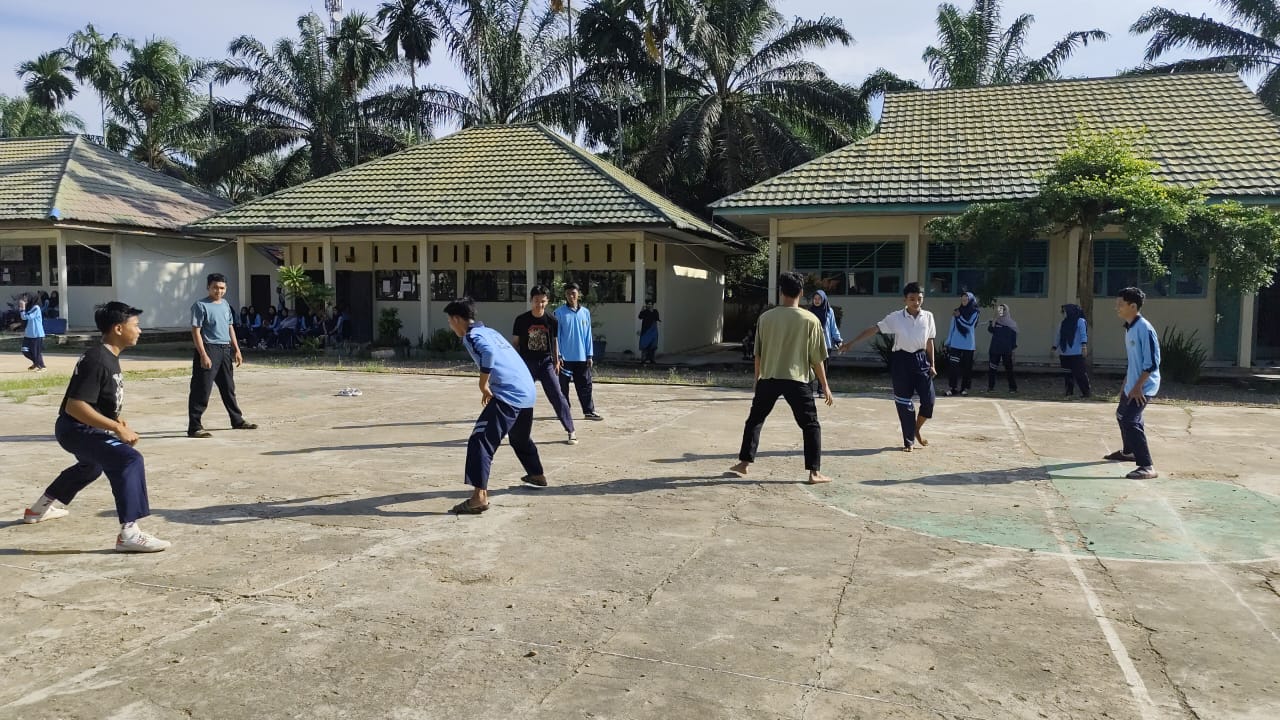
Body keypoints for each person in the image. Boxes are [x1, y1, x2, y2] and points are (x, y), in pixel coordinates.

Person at [21, 301, 170, 552]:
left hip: (81, 429)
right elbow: (75, 406)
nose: (140, 330)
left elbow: (97, 401)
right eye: (136, 325)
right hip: (76, 429)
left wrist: (117, 423)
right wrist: (116, 428)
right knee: (129, 460)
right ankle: (129, 533)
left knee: (90, 467)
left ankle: (37, 510)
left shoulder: (108, 357)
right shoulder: (98, 359)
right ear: (118, 329)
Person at [446, 297, 547, 514]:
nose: (450, 325)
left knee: (480, 440)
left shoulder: (472, 335)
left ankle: (478, 497)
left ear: (456, 319)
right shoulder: (491, 331)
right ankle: (536, 473)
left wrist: (483, 384)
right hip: (527, 390)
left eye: (449, 321)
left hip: (508, 393)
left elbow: (489, 354)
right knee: (519, 437)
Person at [730, 272, 832, 484]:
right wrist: (825, 385)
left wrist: (757, 379)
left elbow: (758, 353)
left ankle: (744, 463)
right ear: (801, 293)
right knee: (810, 424)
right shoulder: (810, 320)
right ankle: (814, 472)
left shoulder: (766, 318)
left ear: (780, 292)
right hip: (798, 379)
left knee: (755, 420)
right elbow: (817, 359)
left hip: (770, 377)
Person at [841, 282, 937, 452]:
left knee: (928, 401)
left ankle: (916, 429)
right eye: (912, 299)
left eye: (919, 299)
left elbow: (929, 341)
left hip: (921, 360)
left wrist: (932, 364)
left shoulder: (928, 316)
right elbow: (874, 329)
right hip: (901, 360)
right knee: (904, 402)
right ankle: (909, 441)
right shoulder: (896, 317)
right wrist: (852, 343)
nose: (916, 302)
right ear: (905, 300)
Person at [188, 273, 257, 438]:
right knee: (202, 389)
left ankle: (237, 420)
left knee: (228, 388)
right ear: (208, 287)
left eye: (222, 288)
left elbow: (230, 327)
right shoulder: (200, 305)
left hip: (225, 350)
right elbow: (195, 331)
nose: (218, 291)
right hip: (208, 349)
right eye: (215, 287)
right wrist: (203, 354)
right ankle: (195, 426)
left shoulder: (225, 304)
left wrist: (236, 349)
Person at [1106, 287, 1162, 479]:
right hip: (1133, 384)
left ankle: (1147, 466)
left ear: (1133, 306)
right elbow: (1134, 361)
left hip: (1144, 386)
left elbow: (1152, 363)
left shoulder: (1144, 328)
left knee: (1130, 420)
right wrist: (1127, 382)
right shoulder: (1130, 328)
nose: (1117, 308)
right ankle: (1128, 452)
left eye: (1120, 304)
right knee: (1122, 415)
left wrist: (1138, 386)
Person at [512, 285, 577, 445]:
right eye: (536, 301)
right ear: (530, 300)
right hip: (527, 363)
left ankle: (571, 430)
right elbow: (515, 344)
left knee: (557, 395)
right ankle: (508, 427)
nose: (539, 304)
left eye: (542, 301)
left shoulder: (552, 320)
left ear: (547, 302)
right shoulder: (521, 320)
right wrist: (515, 364)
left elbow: (554, 341)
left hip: (546, 363)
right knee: (520, 396)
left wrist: (556, 360)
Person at [555, 283, 602, 421]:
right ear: (565, 295)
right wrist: (558, 355)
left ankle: (588, 411)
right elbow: (556, 336)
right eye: (568, 293)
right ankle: (564, 410)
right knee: (563, 387)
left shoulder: (585, 313)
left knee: (585, 385)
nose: (571, 296)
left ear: (578, 294)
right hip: (565, 358)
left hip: (582, 357)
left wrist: (590, 355)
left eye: (573, 293)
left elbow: (588, 335)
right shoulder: (559, 313)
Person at [808, 290, 842, 397]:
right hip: (811, 344)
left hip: (825, 344)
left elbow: (833, 327)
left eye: (819, 299)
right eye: (815, 299)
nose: (817, 301)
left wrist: (838, 340)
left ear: (823, 299)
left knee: (823, 368)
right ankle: (808, 390)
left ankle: (821, 390)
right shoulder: (810, 312)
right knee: (810, 368)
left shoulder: (829, 311)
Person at [944, 291, 979, 396]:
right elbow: (952, 327)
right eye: (962, 299)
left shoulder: (975, 312)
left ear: (970, 300)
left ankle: (964, 388)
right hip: (955, 344)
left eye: (966, 299)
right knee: (953, 366)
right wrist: (948, 341)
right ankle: (953, 388)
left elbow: (970, 325)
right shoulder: (957, 311)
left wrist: (959, 317)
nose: (964, 301)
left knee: (966, 367)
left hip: (968, 345)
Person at [1053, 304, 1091, 398]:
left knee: (1080, 374)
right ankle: (1068, 392)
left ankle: (1086, 393)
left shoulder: (1080, 321)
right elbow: (1058, 336)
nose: (1063, 314)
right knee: (1067, 373)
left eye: (1064, 311)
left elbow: (1083, 334)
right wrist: (1054, 347)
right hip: (1064, 352)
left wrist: (1084, 347)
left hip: (1077, 353)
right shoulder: (1063, 323)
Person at [986, 303, 1018, 393]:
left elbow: (1013, 339)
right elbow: (990, 330)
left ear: (1007, 311)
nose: (1002, 311)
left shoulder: (1012, 324)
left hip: (1007, 350)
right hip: (995, 349)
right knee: (992, 369)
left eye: (1003, 309)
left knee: (1009, 370)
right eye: (1000, 309)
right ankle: (990, 387)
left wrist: (1013, 352)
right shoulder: (995, 322)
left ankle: (1013, 388)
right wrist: (994, 320)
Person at [18, 293, 47, 371]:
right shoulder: (28, 308)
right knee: (25, 350)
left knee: (36, 352)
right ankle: (36, 363)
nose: (24, 300)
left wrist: (23, 308)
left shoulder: (36, 308)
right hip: (28, 334)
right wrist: (22, 308)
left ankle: (41, 366)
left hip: (36, 334)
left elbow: (26, 317)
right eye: (23, 299)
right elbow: (23, 317)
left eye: (26, 299)